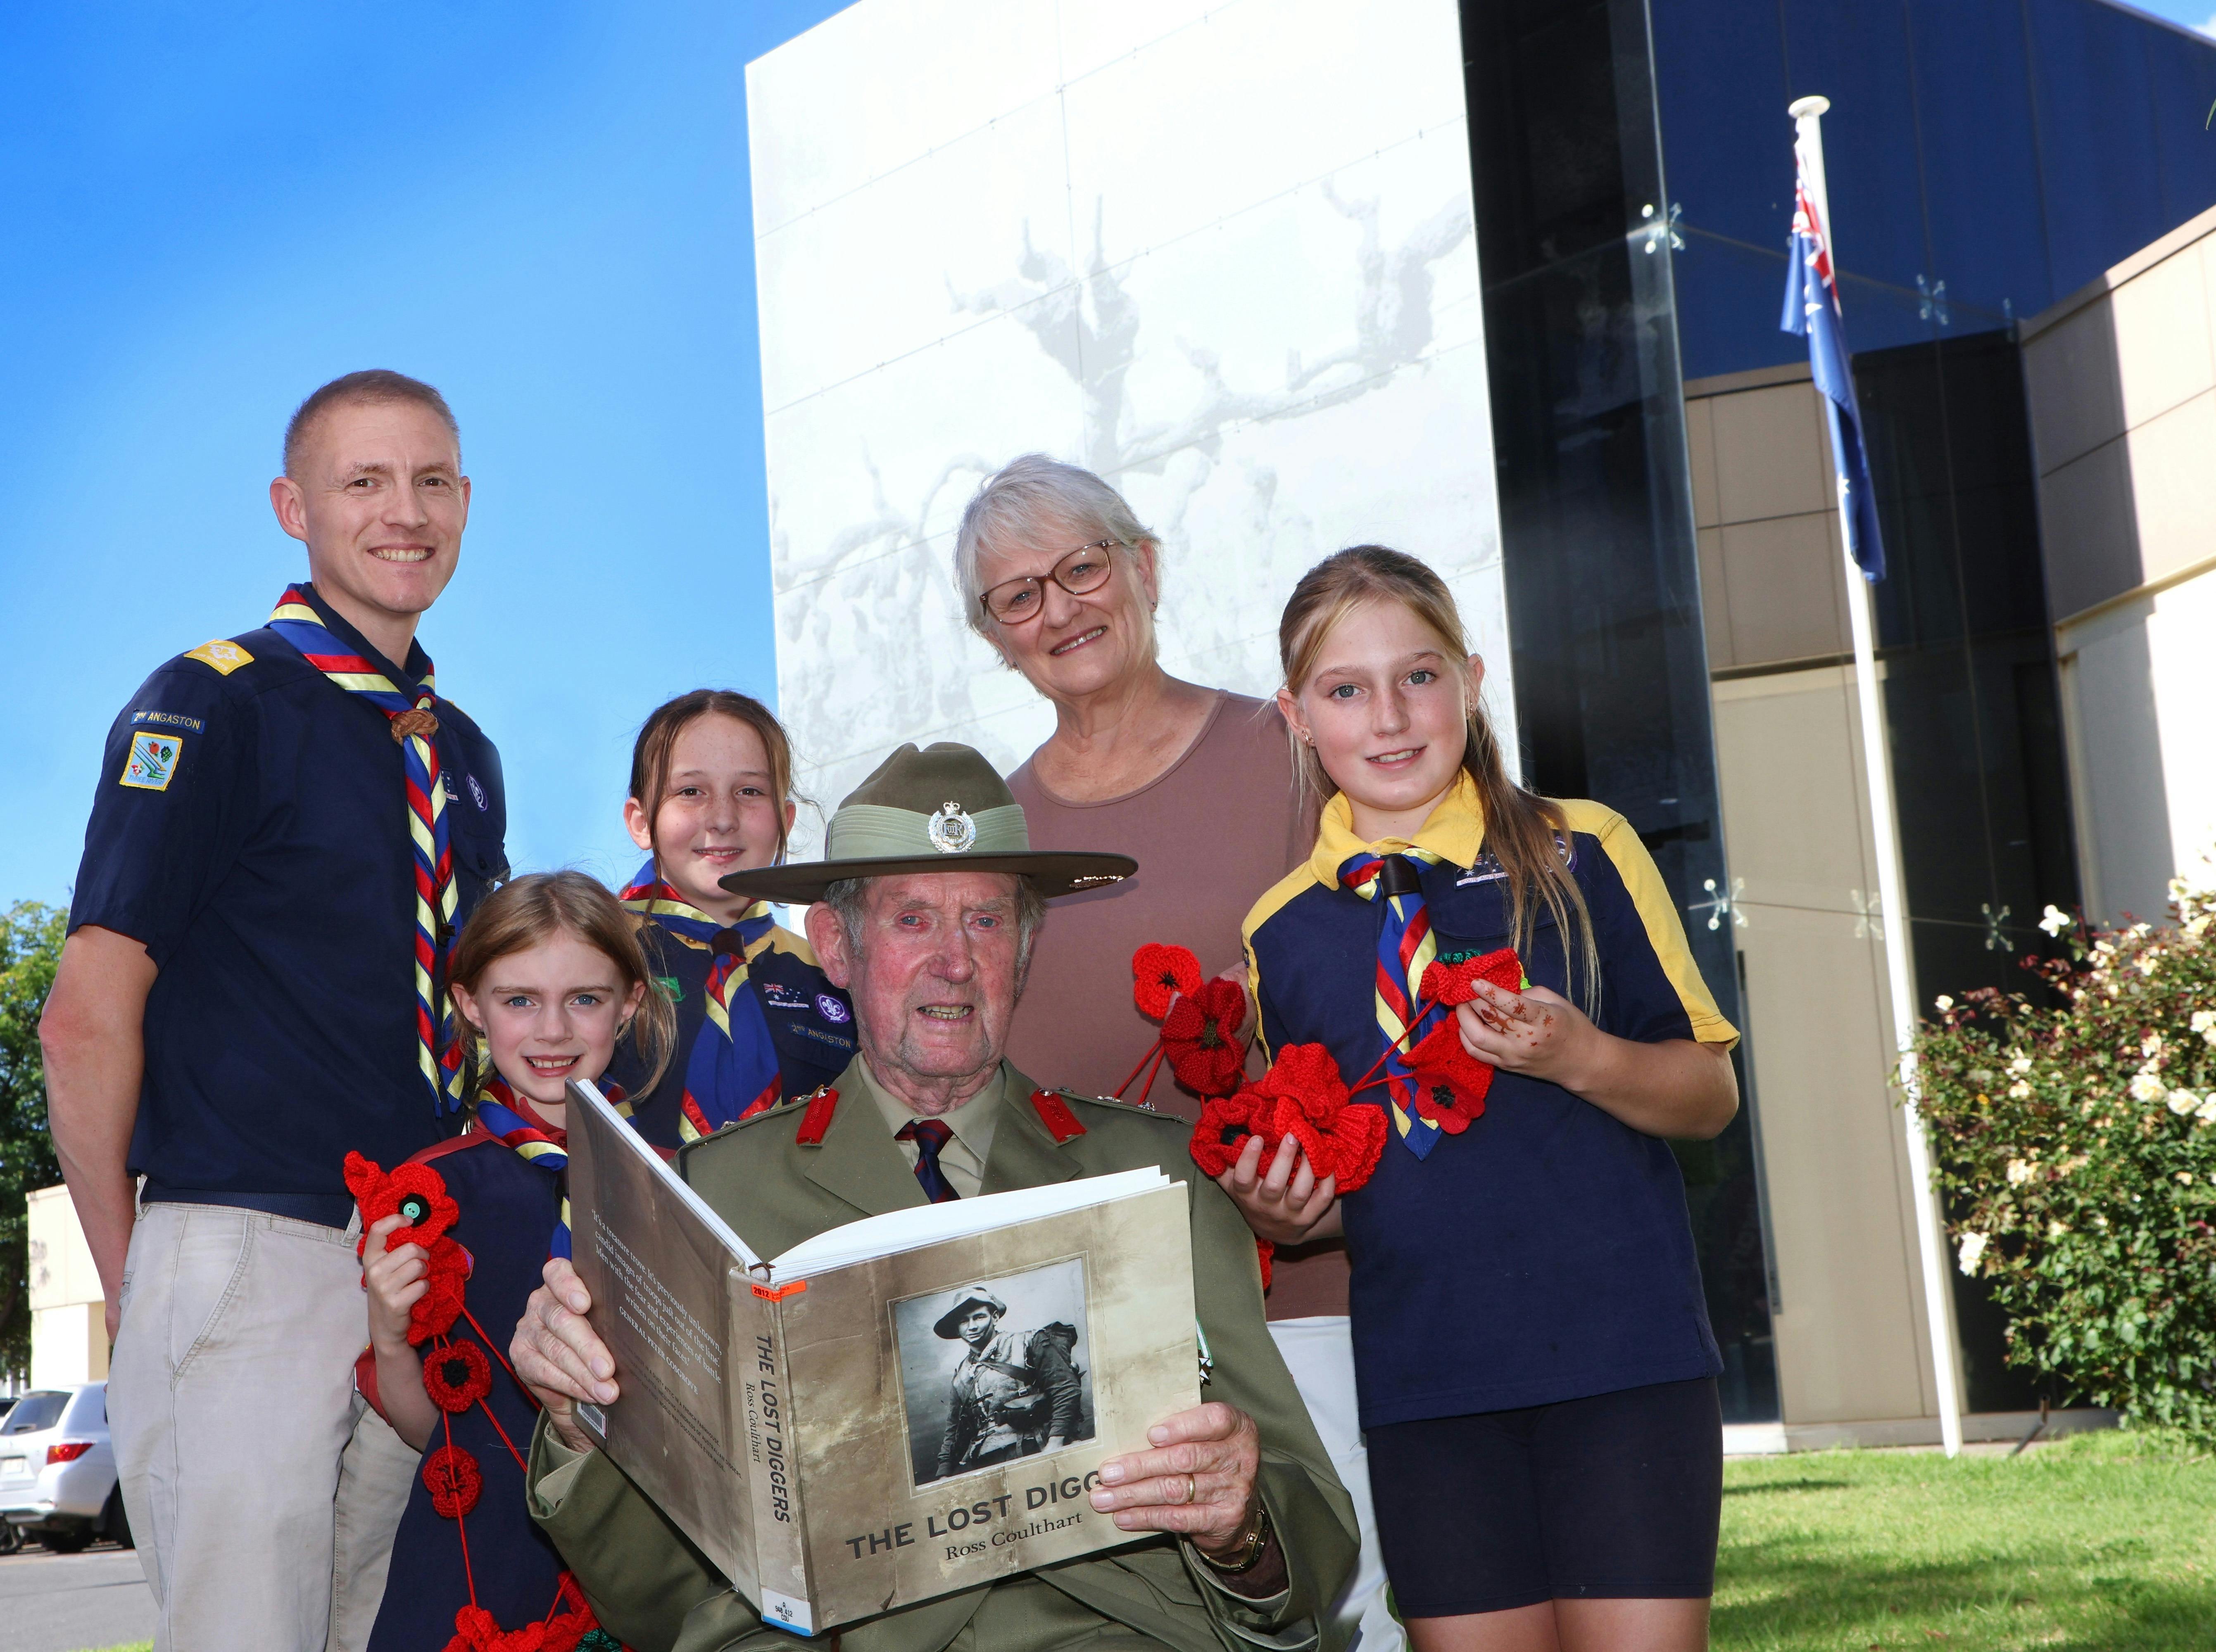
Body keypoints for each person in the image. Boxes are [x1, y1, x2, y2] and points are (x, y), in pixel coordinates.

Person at [510, 741, 1360, 1652]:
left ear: (1026, 950)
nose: (955, 961)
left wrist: (1243, 1528)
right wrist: (579, 1424)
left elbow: (1312, 1540)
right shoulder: (719, 1193)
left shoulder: (1154, 1173)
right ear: (837, 945)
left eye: (988, 922)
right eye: (913, 919)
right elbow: (662, 1597)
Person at [39, 370, 507, 1650]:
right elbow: (85, 1011)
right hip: (251, 1252)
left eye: (430, 481)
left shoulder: (457, 748)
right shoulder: (215, 699)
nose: (402, 512)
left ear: (465, 501)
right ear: (292, 506)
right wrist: (135, 1276)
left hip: (417, 1270)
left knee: (391, 1630)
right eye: (364, 481)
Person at [1223, 547, 1742, 1652]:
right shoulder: (1277, 934)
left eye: (1417, 676)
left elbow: (1707, 1095)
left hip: (1622, 1359)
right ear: (1295, 717)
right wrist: (1284, 1211)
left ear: (1469, 676)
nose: (1390, 716)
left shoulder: (1581, 851)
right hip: (1428, 1385)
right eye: (1344, 689)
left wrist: (1579, 1056)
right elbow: (1350, 1178)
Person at [954, 455, 1390, 1651]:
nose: (1060, 608)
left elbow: (1387, 999)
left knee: (1347, 1619)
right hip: (1093, 1332)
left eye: (1082, 566)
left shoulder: (1295, 750)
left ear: (1142, 567)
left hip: (1303, 1302)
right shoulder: (992, 839)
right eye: (1018, 596)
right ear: (995, 639)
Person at [357, 871, 675, 1650]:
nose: (554, 1030)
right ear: (471, 1006)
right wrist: (391, 1332)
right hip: (482, 1567)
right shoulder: (430, 1193)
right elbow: (426, 1425)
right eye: (519, 1000)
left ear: (629, 1003)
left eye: (586, 1000)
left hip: (648, 1561)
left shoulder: (678, 1183)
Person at [608, 689, 854, 1149]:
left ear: (785, 820)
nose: (722, 818)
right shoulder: (594, 953)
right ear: (641, 822)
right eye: (690, 791)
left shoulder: (834, 977)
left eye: (749, 791)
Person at [931, 1284, 1084, 1479]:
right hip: (986, 1462)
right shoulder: (961, 1375)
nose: (972, 1327)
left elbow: (1066, 1389)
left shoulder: (1028, 1342)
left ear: (994, 1318)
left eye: (979, 1317)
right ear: (957, 1328)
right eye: (964, 1321)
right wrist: (945, 1471)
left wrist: (1055, 1442)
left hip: (1036, 1446)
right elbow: (954, 1428)